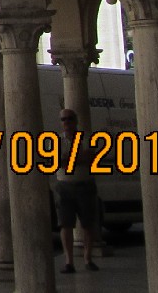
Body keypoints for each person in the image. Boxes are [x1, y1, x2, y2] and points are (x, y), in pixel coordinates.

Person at [53, 108, 100, 274]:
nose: (66, 122)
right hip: (64, 186)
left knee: (88, 223)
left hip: (85, 184)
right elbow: (57, 161)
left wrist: (69, 159)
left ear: (76, 120)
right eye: (63, 119)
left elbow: (91, 157)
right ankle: (69, 261)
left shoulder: (86, 138)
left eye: (70, 119)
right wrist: (78, 158)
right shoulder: (57, 140)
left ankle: (88, 258)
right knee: (65, 224)